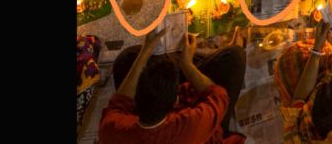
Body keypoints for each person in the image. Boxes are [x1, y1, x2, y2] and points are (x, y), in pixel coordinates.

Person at [99, 31, 247, 143]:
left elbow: (118, 103)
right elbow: (219, 95)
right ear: (177, 101)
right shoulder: (191, 125)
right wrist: (187, 65)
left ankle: (175, 60)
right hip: (199, 131)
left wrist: (145, 52)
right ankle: (183, 62)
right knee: (235, 56)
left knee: (126, 58)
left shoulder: (112, 130)